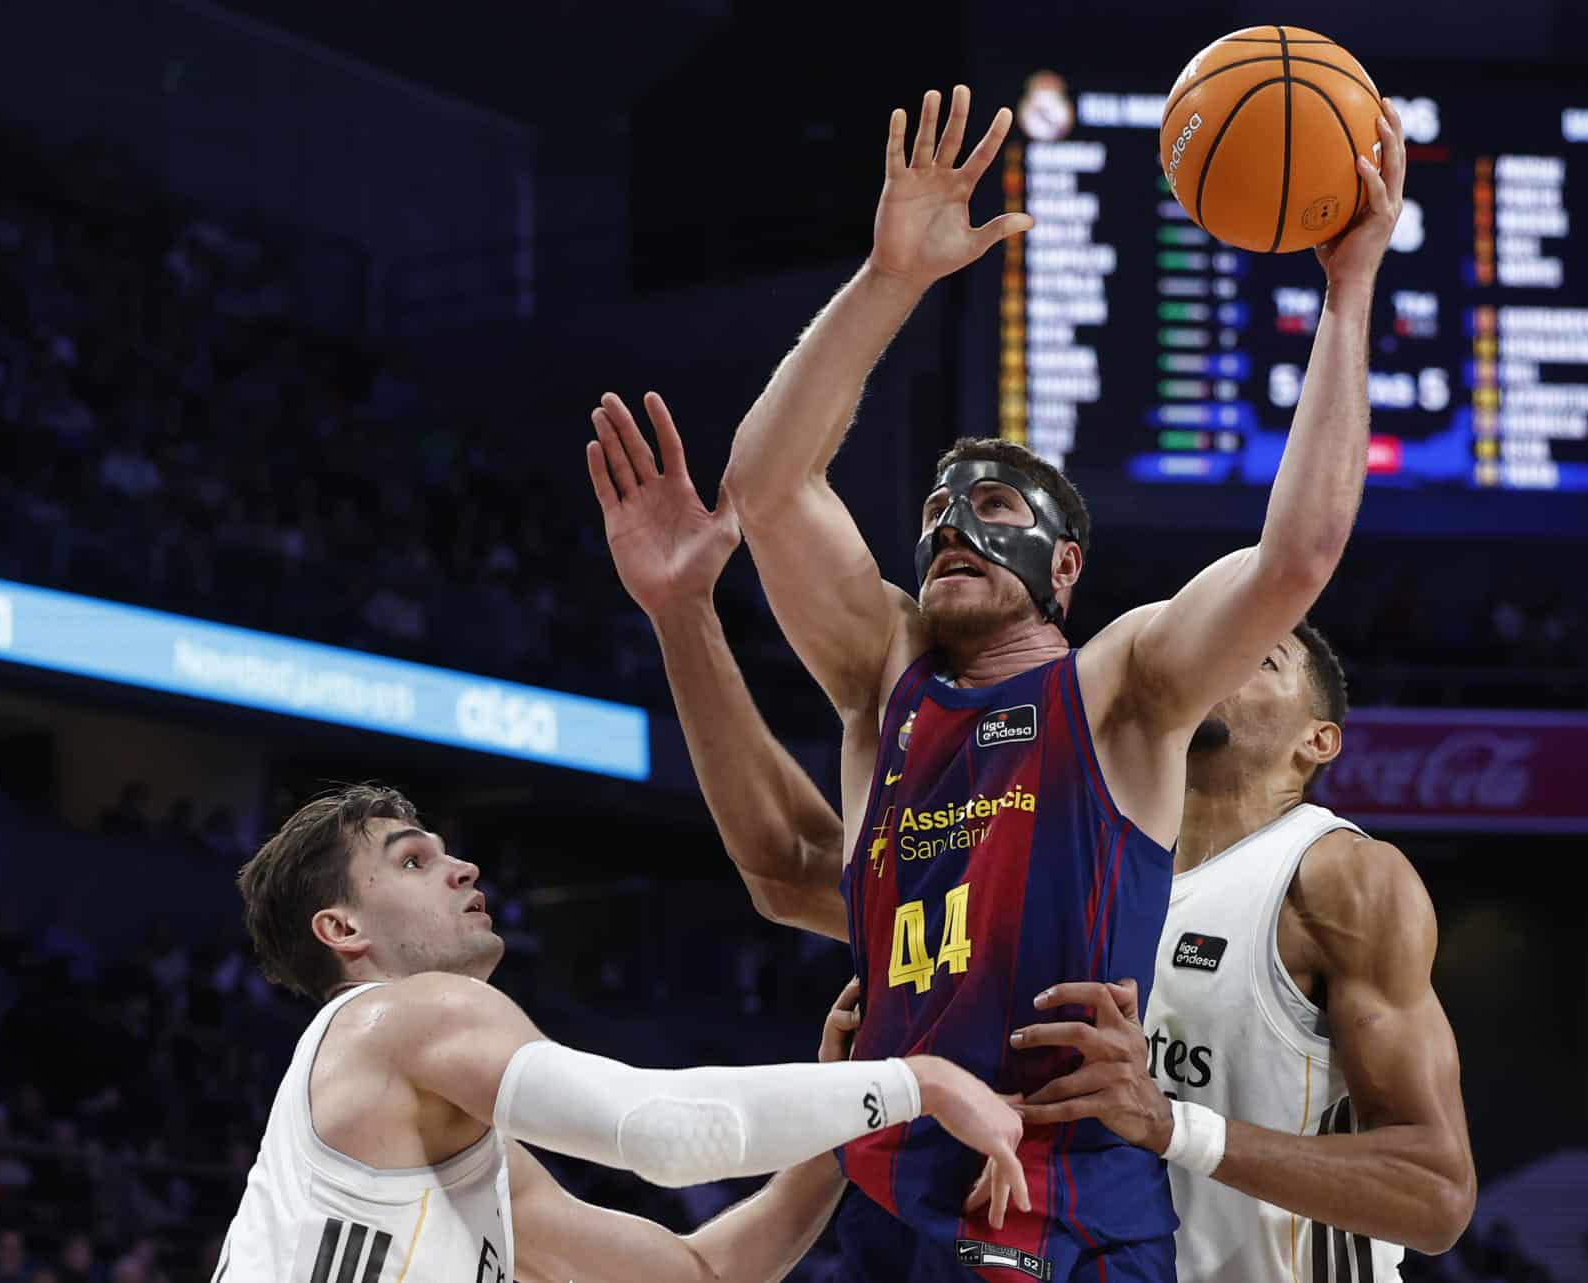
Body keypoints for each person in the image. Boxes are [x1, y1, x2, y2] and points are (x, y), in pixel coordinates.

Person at [593, 83, 1406, 1281]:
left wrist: (1349, 291)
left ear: (1063, 567)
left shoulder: (1120, 685)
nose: (953, 528)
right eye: (935, 512)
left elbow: (1298, 555)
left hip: (1063, 1206)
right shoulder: (885, 679)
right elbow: (766, 487)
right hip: (893, 1194)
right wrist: (890, 278)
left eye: (992, 506)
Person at [587, 404, 1472, 1283]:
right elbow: (793, 870)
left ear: (1319, 739)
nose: (1235, 658)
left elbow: (1435, 1192)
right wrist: (877, 1086)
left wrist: (1174, 1125)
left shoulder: (1330, 876)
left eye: (1266, 660)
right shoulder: (1061, 842)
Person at [212, 784, 1028, 1282]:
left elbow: (700, 1274)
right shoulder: (404, 1014)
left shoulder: (463, 1165)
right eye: (413, 862)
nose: (463, 867)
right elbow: (661, 1130)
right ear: (342, 928)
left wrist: (846, 1115)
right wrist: (920, 1081)